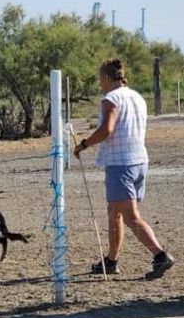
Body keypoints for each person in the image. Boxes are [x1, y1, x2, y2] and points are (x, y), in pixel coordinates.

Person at [73, 58, 174, 280]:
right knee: (114, 211)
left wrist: (84, 144)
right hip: (139, 161)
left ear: (108, 78)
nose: (100, 83)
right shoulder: (136, 97)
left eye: (101, 79)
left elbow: (106, 129)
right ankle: (111, 260)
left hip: (121, 164)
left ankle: (160, 255)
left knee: (129, 216)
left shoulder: (111, 99)